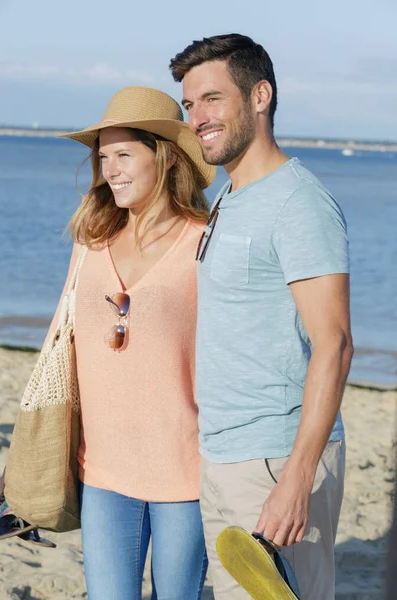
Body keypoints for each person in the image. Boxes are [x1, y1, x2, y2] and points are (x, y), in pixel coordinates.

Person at [0, 86, 216, 600]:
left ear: (163, 158)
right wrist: (25, 449)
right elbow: (58, 342)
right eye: (103, 158)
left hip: (185, 470)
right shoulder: (91, 238)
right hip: (101, 468)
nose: (110, 169)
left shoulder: (206, 243)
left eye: (124, 155)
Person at [169, 34, 353, 600]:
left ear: (260, 96)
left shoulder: (298, 202)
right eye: (189, 105)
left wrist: (297, 478)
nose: (197, 118)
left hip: (276, 459)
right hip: (223, 456)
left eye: (212, 99)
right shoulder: (229, 197)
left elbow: (336, 344)